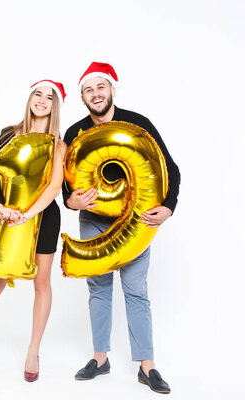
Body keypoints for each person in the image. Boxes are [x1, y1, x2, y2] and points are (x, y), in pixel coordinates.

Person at [64, 62, 180, 394]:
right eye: (88, 89)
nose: (95, 94)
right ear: (82, 96)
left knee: (136, 291)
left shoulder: (138, 124)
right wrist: (72, 202)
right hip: (94, 220)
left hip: (136, 222)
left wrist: (169, 206)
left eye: (101, 87)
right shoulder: (74, 133)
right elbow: (64, 187)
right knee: (98, 288)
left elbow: (169, 167)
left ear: (112, 89)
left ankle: (147, 366)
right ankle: (100, 359)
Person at [0, 79, 67, 382]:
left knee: (41, 283)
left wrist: (29, 214)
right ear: (30, 97)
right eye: (38, 94)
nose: (42, 100)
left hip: (43, 217)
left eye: (49, 97)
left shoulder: (58, 144)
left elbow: (54, 186)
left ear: (54, 105)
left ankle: (33, 350)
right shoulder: (9, 133)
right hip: (7, 214)